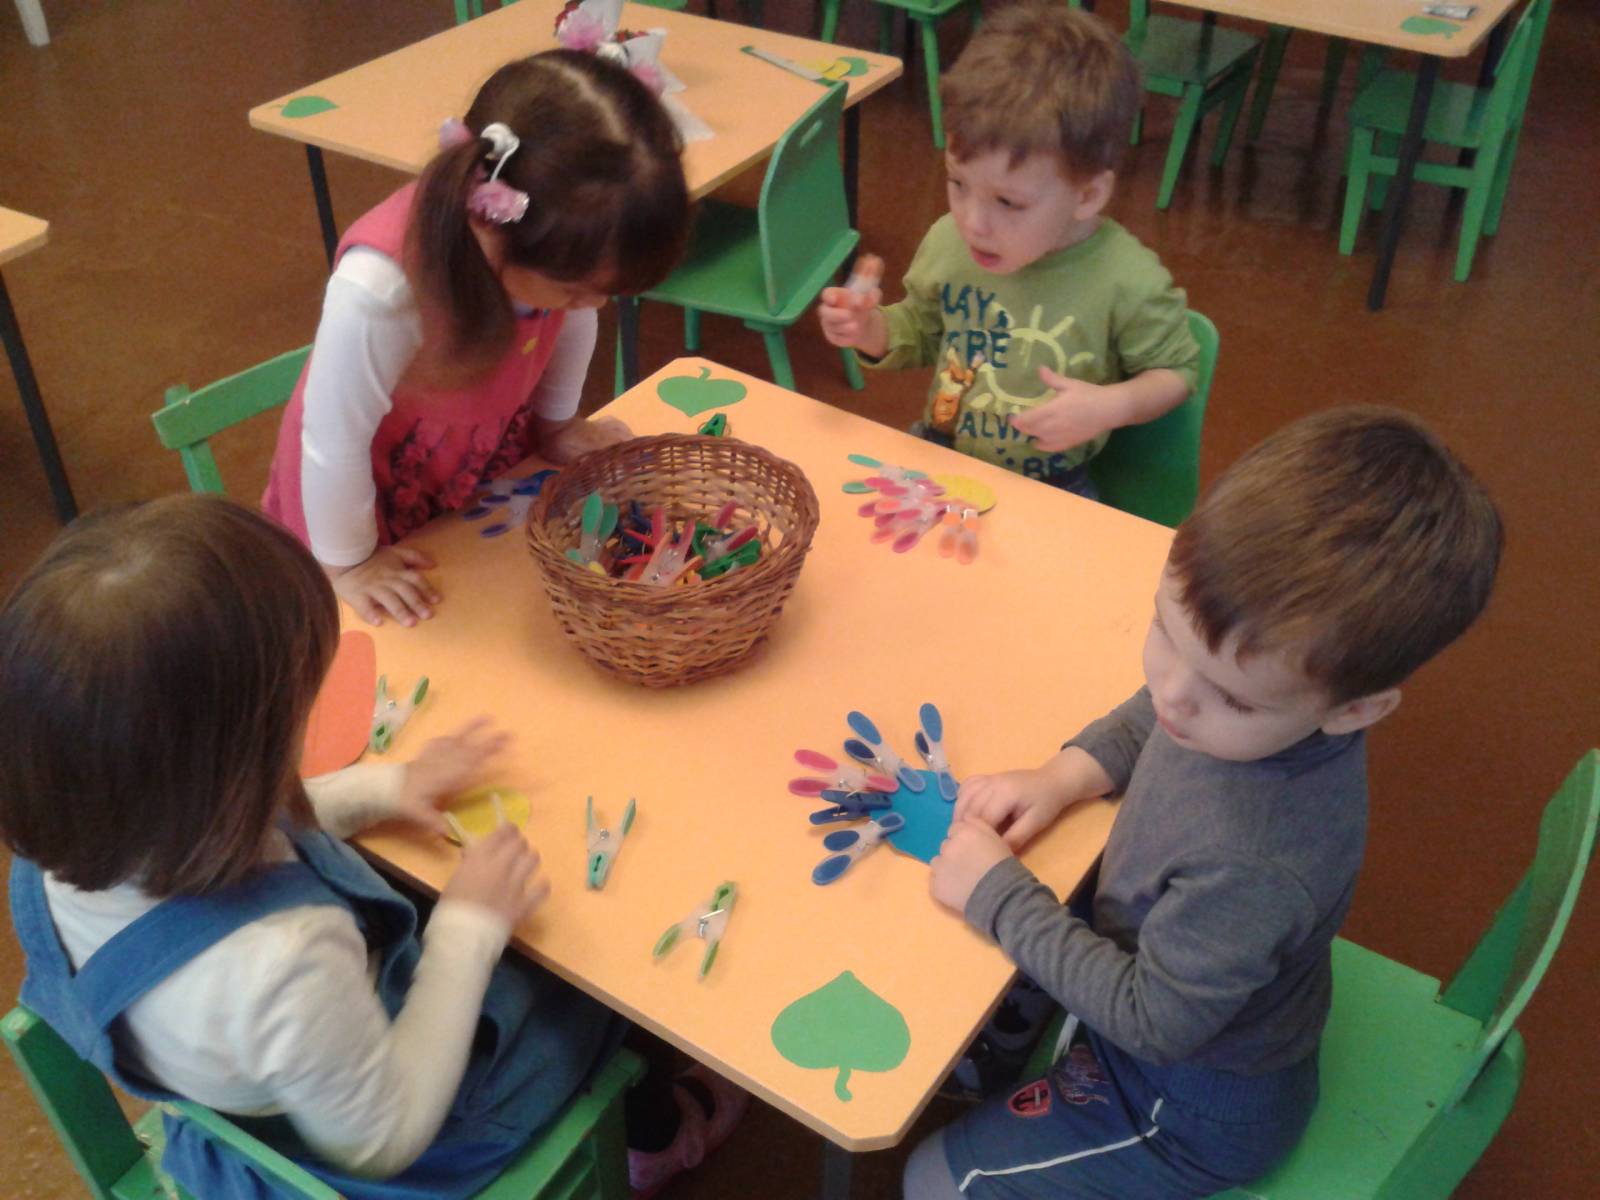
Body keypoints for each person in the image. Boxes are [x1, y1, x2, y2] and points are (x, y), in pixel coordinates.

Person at [0, 495, 740, 1200]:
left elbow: (257, 822)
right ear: (235, 771)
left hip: (273, 1079)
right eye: (300, 707)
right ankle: (656, 1138)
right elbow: (387, 1134)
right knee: (605, 981)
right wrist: (467, 929)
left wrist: (390, 787)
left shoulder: (82, 832)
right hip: (406, 1134)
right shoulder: (284, 961)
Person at [908, 407, 1504, 1198]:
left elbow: (1151, 1022)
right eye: (1165, 632)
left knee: (934, 1179)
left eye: (1229, 696)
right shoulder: (1251, 701)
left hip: (1184, 1105)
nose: (1172, 696)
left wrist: (1001, 900)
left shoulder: (1253, 866)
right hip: (1162, 978)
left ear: (1356, 709)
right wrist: (1064, 777)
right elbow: (1156, 710)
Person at [263, 49, 690, 628]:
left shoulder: (550, 251)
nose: (592, 307)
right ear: (492, 229)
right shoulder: (381, 289)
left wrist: (557, 425)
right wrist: (350, 564)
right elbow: (330, 439)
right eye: (576, 291)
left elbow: (569, 321)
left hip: (466, 483)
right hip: (354, 513)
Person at [816, 3, 1199, 496]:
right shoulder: (948, 241)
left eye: (1008, 202)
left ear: (1087, 195)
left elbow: (1176, 373)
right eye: (957, 183)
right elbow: (922, 329)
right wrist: (869, 329)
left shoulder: (1128, 279)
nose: (972, 222)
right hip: (941, 453)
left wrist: (1112, 405)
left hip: (1052, 484)